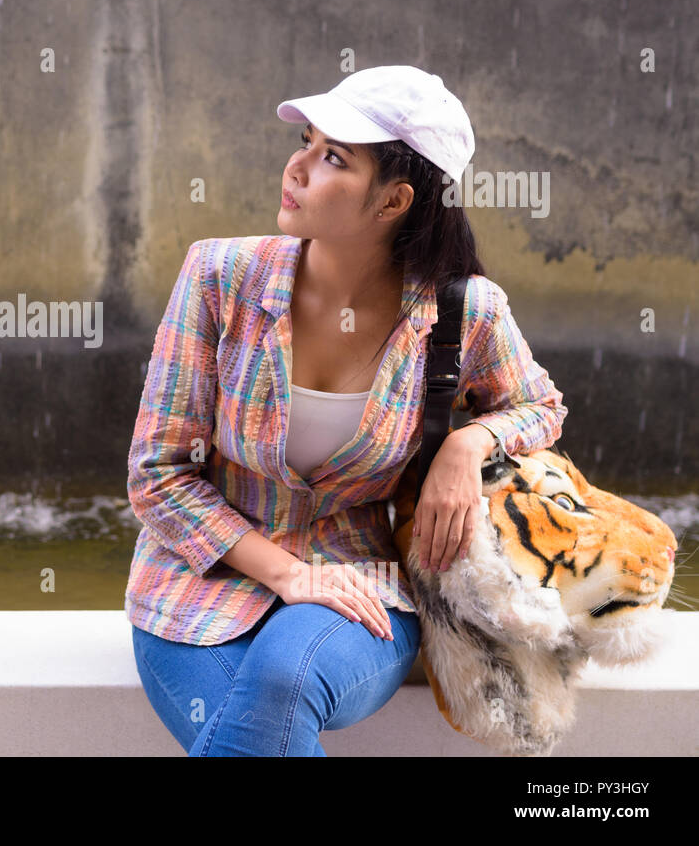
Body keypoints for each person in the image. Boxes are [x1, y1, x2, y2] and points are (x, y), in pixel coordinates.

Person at [125, 64, 568, 756]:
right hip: (195, 583)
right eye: (305, 140)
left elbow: (538, 405)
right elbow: (158, 475)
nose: (296, 166)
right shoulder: (217, 277)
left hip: (361, 584)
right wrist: (289, 574)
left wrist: (469, 443)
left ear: (393, 201)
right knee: (254, 727)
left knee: (281, 680)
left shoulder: (463, 310)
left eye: (332, 156)